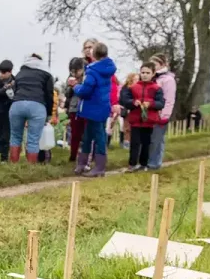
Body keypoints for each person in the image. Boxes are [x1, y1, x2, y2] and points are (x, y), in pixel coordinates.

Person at [72, 41, 118, 177]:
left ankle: (99, 167)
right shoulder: (109, 68)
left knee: (97, 137)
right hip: (103, 106)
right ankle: (83, 163)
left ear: (94, 53)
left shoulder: (92, 71)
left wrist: (75, 87)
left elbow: (85, 91)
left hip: (92, 107)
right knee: (90, 135)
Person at [9, 53, 55, 163]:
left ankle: (13, 166)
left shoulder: (20, 73)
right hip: (37, 106)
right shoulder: (46, 74)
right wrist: (48, 113)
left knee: (15, 137)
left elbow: (14, 91)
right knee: (33, 140)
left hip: (17, 105)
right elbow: (49, 95)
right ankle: (30, 169)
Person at [121, 61, 166, 171]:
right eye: (143, 72)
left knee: (146, 144)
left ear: (153, 74)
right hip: (136, 120)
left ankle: (143, 164)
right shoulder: (133, 87)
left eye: (147, 72)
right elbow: (124, 100)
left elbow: (161, 103)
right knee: (134, 144)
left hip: (148, 121)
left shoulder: (156, 88)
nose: (145, 75)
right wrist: (132, 102)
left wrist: (151, 104)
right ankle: (132, 164)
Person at [148, 54, 177, 170]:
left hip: (160, 114)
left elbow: (169, 99)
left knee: (157, 140)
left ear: (162, 65)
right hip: (149, 113)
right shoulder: (151, 78)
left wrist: (165, 115)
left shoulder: (168, 80)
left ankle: (154, 163)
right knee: (149, 139)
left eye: (155, 65)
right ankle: (147, 161)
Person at [63, 56, 87, 167]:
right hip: (74, 108)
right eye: (71, 71)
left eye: (76, 71)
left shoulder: (88, 77)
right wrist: (70, 86)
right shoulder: (70, 78)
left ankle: (85, 157)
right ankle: (73, 156)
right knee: (74, 134)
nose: (74, 73)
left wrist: (77, 85)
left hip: (85, 108)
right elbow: (67, 95)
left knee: (85, 134)